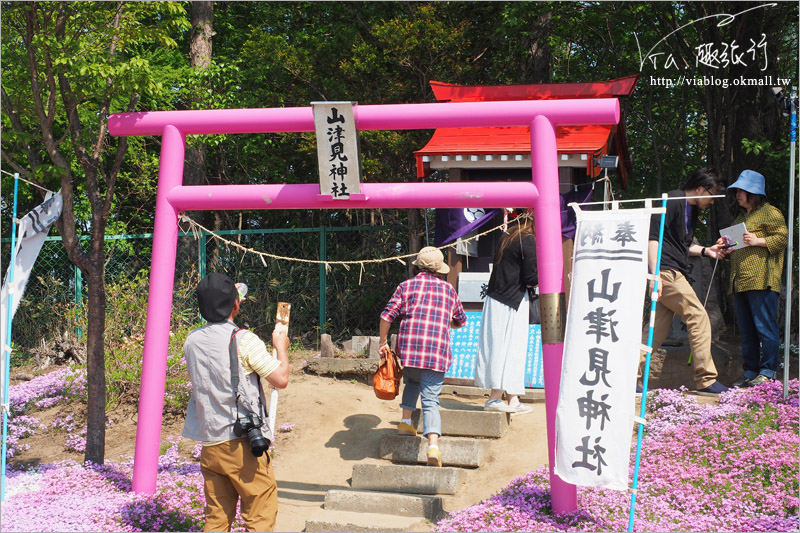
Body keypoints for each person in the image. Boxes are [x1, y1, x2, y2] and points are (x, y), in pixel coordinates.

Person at [182, 272, 290, 532]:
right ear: (235, 305)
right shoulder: (244, 339)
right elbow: (280, 378)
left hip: (210, 443)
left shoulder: (191, 340)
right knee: (260, 510)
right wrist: (281, 345)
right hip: (241, 444)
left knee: (217, 518)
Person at [638, 167, 730, 394]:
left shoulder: (691, 210)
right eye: (711, 194)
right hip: (666, 272)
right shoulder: (674, 200)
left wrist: (707, 251)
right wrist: (655, 276)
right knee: (698, 316)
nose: (712, 201)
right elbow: (652, 238)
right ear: (700, 188)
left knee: (655, 331)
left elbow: (684, 246)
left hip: (672, 270)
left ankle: (628, 374)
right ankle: (706, 379)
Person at [379, 246, 467, 467]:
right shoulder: (448, 290)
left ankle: (406, 422)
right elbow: (460, 320)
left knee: (412, 382)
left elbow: (387, 316)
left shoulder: (405, 286)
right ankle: (433, 446)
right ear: (439, 269)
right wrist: (447, 322)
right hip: (436, 353)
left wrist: (382, 342)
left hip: (410, 351)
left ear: (417, 266)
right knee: (430, 399)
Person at [726, 170, 788, 387]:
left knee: (765, 327)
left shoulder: (770, 212)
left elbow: (782, 239)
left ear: (754, 192)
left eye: (741, 190)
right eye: (737, 191)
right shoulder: (739, 219)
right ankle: (750, 372)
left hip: (763, 278)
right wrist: (726, 248)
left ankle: (768, 372)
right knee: (746, 330)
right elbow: (736, 246)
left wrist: (758, 240)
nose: (737, 194)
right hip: (740, 280)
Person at [474, 214, 537, 414]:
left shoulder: (508, 235)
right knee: (509, 347)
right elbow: (531, 276)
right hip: (512, 300)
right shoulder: (529, 240)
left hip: (497, 297)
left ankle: (513, 398)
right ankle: (494, 398)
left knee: (501, 346)